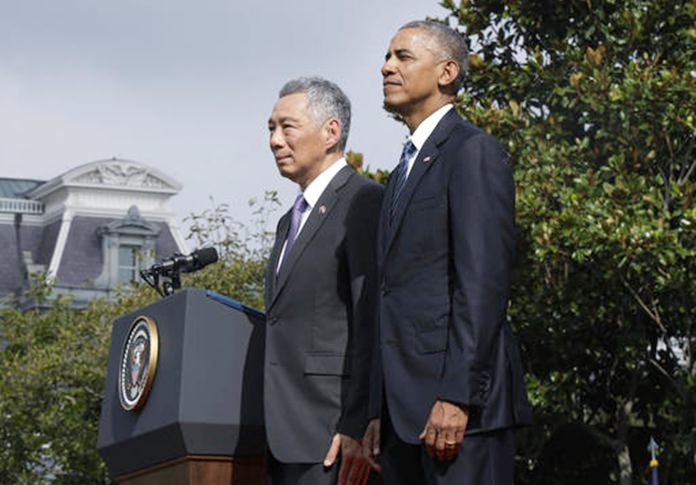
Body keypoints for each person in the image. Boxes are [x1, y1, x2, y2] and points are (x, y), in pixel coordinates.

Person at [362, 20, 533, 484]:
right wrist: (377, 408)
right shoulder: (400, 173)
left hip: (461, 415)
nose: (386, 67)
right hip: (402, 420)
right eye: (386, 56)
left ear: (446, 72)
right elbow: (390, 292)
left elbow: (483, 286)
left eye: (403, 57)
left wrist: (458, 397)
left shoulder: (472, 152)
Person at [264, 77, 383, 485]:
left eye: (287, 127)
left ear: (331, 132)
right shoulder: (287, 223)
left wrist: (357, 422)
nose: (276, 141)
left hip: (333, 436)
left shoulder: (363, 202)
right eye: (271, 129)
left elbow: (371, 318)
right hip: (280, 433)